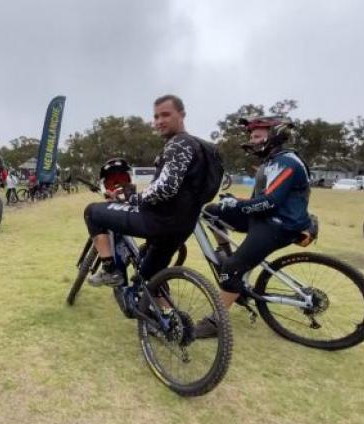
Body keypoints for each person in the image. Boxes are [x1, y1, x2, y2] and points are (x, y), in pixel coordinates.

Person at [195, 115, 312, 338]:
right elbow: (261, 199)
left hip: (278, 225)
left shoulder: (285, 162)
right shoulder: (272, 161)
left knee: (230, 270)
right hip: (264, 218)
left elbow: (270, 202)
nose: (253, 140)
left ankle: (216, 322)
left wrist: (238, 204)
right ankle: (228, 257)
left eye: (257, 136)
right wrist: (236, 202)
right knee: (211, 212)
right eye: (252, 136)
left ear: (275, 134)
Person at [83, 94, 209, 288]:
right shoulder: (203, 147)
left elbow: (166, 188)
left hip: (158, 221)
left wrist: (132, 198)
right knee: (148, 279)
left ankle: (110, 270)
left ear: (182, 114)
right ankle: (167, 317)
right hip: (184, 225)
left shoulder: (179, 143)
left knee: (92, 212)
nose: (159, 121)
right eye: (156, 117)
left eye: (165, 115)